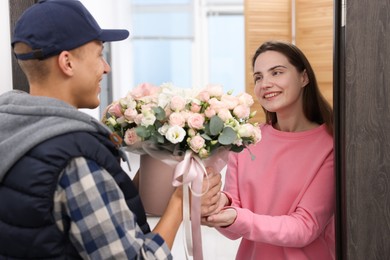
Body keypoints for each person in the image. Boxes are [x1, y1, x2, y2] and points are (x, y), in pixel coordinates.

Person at [0, 0, 222, 259]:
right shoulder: (75, 158)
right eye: (99, 55)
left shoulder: (14, 132)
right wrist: (180, 203)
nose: (106, 67)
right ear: (67, 63)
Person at [202, 40, 335, 259]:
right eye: (258, 77)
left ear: (304, 77)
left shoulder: (330, 146)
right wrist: (220, 204)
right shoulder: (247, 139)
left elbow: (304, 227)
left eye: (276, 72)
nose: (265, 84)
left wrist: (237, 217)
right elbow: (236, 216)